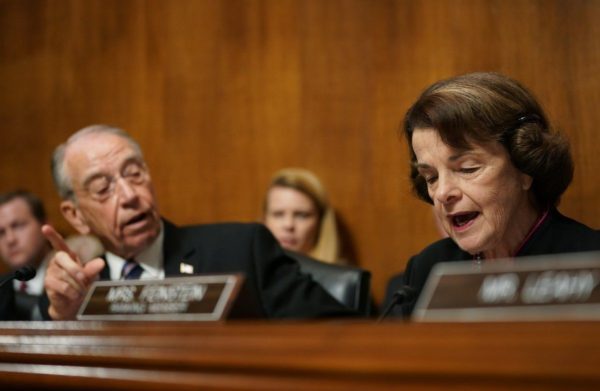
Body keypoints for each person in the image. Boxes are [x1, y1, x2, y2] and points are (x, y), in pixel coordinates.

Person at [40, 125, 356, 320]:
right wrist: (66, 317)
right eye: (102, 188)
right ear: (76, 216)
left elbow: (338, 333)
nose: (129, 195)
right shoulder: (73, 295)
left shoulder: (241, 250)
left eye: (134, 173)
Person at [393, 72, 600, 317]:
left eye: (468, 168)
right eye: (431, 177)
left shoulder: (591, 258)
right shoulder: (428, 269)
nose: (442, 193)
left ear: (525, 168)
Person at [263, 168, 344, 264]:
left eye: (301, 215)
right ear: (264, 219)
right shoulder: (248, 272)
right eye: (278, 214)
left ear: (321, 221)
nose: (288, 225)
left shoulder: (344, 278)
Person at [0, 190, 53, 320]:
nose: (10, 240)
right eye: (1, 232)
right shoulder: (1, 288)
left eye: (18, 226)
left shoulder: (71, 281)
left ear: (45, 225)